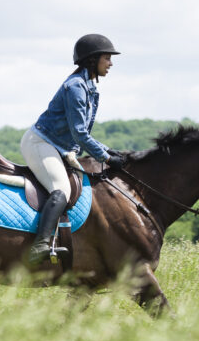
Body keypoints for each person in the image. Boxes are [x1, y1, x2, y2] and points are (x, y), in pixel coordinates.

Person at [21, 33, 125, 265]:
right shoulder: (76, 87)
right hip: (41, 143)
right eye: (107, 58)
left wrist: (110, 152)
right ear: (92, 60)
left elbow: (81, 135)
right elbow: (80, 133)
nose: (110, 63)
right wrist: (106, 157)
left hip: (60, 146)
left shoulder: (88, 86)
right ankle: (41, 244)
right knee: (61, 189)